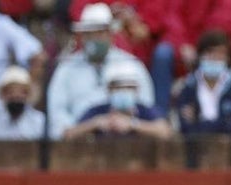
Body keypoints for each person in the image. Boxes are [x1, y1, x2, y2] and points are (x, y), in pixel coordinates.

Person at [46, 3, 153, 139]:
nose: (94, 39)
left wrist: (127, 124)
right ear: (82, 36)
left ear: (110, 34)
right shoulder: (67, 67)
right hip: (78, 142)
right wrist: (80, 130)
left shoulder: (131, 64)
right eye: (89, 34)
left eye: (99, 33)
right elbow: (57, 113)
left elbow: (146, 106)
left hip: (125, 139)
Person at [62, 58, 172, 139]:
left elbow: (165, 131)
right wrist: (95, 124)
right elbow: (68, 134)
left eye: (129, 87)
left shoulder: (145, 110)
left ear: (136, 90)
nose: (124, 91)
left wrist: (133, 124)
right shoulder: (97, 111)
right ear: (109, 90)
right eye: (118, 88)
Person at [174, 29, 231, 136]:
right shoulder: (188, 88)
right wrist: (222, 124)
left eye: (220, 53)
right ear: (200, 55)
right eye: (210, 52)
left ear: (228, 58)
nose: (215, 58)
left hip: (229, 149)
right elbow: (186, 128)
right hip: (196, 149)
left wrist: (200, 122)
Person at [0, 63, 44, 139]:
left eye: (21, 92)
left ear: (27, 95)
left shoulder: (38, 121)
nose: (16, 96)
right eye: (10, 92)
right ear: (3, 95)